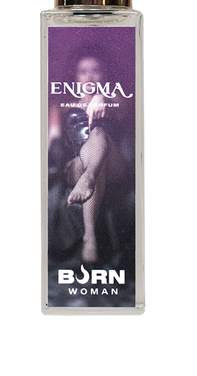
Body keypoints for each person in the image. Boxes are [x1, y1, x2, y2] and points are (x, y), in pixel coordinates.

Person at [48, 49, 128, 264]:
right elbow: (52, 140)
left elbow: (119, 108)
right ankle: (91, 236)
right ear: (75, 76)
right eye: (83, 71)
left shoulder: (116, 99)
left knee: (98, 133)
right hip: (76, 166)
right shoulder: (60, 105)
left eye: (96, 70)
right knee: (90, 166)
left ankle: (89, 236)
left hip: (113, 164)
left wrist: (102, 97)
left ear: (105, 74)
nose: (89, 76)